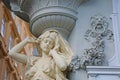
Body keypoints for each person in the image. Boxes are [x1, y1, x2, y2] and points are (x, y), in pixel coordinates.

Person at [9, 30, 73, 80]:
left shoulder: (54, 60)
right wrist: (26, 41)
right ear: (40, 43)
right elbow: (12, 53)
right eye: (45, 41)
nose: (47, 44)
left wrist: (53, 53)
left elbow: (62, 66)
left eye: (50, 43)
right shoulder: (34, 61)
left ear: (53, 46)